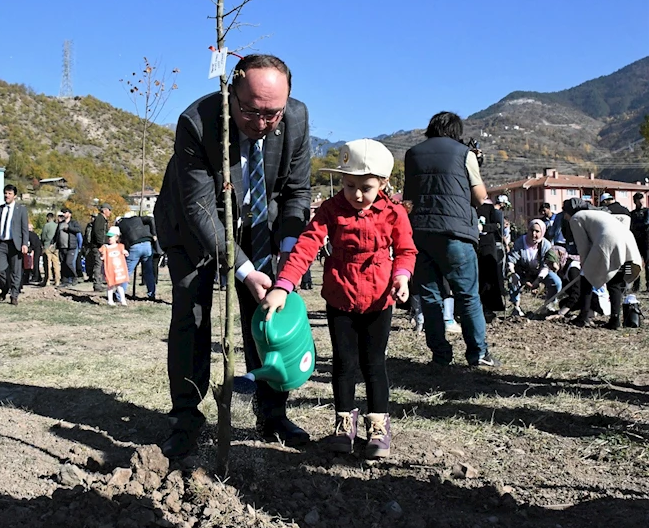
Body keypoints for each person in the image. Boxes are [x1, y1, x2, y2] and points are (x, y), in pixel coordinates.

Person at [155, 54, 312, 459]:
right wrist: (242, 270)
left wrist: (287, 252)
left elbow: (296, 194)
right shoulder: (198, 122)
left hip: (259, 226)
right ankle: (186, 419)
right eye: (250, 111)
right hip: (192, 226)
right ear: (231, 93)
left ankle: (272, 414)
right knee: (191, 314)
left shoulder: (295, 118)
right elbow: (200, 209)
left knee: (267, 315)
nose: (261, 123)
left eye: (271, 114)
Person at [262, 139, 416, 458]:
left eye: (366, 187)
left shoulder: (394, 213)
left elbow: (406, 250)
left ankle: (378, 424)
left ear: (383, 184)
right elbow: (305, 247)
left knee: (374, 363)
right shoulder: (331, 210)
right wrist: (284, 284)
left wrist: (402, 276)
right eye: (349, 185)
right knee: (344, 363)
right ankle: (344, 422)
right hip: (340, 297)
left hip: (378, 299)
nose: (357, 194)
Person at [403, 111, 499, 367]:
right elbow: (479, 197)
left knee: (430, 296)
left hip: (420, 233)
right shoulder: (463, 154)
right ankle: (477, 353)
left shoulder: (412, 154)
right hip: (456, 234)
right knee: (467, 295)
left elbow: (408, 199)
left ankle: (440, 354)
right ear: (457, 132)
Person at [563, 198, 643, 329]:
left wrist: (584, 265)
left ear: (570, 211)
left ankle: (582, 318)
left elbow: (582, 247)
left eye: (565, 212)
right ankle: (615, 320)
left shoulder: (576, 218)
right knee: (615, 282)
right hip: (627, 240)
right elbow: (622, 220)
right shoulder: (599, 213)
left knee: (586, 279)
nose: (565, 216)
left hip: (608, 240)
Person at [506, 219, 562, 317]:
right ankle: (516, 307)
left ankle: (548, 306)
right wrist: (512, 273)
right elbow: (511, 259)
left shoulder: (546, 245)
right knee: (513, 280)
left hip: (540, 272)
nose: (533, 234)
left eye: (537, 231)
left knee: (556, 281)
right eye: (531, 230)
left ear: (542, 232)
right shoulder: (520, 242)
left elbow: (546, 265)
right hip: (523, 271)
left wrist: (537, 281)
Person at [0, 185, 29, 306]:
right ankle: (5, 287)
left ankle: (14, 295)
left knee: (15, 271)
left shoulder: (21, 210)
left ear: (15, 196)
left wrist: (24, 243)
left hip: (15, 244)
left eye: (9, 194)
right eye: (5, 193)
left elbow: (24, 228)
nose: (7, 196)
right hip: (1, 243)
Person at [476, 195, 508, 319]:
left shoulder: (489, 208)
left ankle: (488, 308)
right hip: (473, 245)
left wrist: (483, 228)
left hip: (487, 246)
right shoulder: (469, 206)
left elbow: (497, 226)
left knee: (488, 277)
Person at [118, 211, 157, 299]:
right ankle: (152, 294)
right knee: (149, 272)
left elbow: (122, 239)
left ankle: (119, 295)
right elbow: (151, 219)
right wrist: (154, 234)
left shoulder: (122, 223)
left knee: (127, 272)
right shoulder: (138, 219)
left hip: (135, 245)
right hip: (147, 244)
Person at [100, 226, 129, 306]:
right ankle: (110, 301)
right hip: (110, 270)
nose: (109, 238)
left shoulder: (120, 246)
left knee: (119, 286)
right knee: (110, 286)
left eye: (111, 236)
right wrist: (102, 256)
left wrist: (125, 252)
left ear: (116, 237)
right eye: (108, 236)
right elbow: (102, 255)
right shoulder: (105, 247)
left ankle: (123, 300)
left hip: (118, 270)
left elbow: (123, 252)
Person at [54, 208, 81, 286]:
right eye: (63, 212)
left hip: (71, 246)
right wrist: (53, 243)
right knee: (63, 264)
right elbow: (56, 234)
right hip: (62, 247)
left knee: (69, 263)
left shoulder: (73, 223)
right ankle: (65, 281)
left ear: (69, 214)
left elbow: (78, 230)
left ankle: (74, 276)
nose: (64, 214)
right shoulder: (60, 223)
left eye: (65, 212)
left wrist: (69, 229)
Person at [630, 192, 649, 292]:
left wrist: (636, 227)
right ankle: (635, 286)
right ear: (635, 202)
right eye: (639, 201)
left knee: (648, 264)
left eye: (642, 200)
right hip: (636, 241)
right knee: (635, 264)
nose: (641, 203)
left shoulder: (647, 211)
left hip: (646, 241)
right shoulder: (632, 213)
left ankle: (648, 285)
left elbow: (646, 222)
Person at [91, 204, 111, 292]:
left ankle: (100, 282)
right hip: (98, 246)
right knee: (98, 265)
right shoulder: (100, 219)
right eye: (109, 210)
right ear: (105, 210)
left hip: (101, 245)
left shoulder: (103, 219)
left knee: (101, 265)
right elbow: (98, 232)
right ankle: (97, 284)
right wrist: (101, 244)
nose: (110, 212)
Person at [41, 212, 60, 286]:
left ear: (47, 218)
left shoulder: (46, 226)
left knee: (47, 264)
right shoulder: (57, 226)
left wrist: (43, 244)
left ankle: (47, 280)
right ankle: (57, 280)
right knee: (56, 264)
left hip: (47, 246)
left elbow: (43, 236)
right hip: (55, 247)